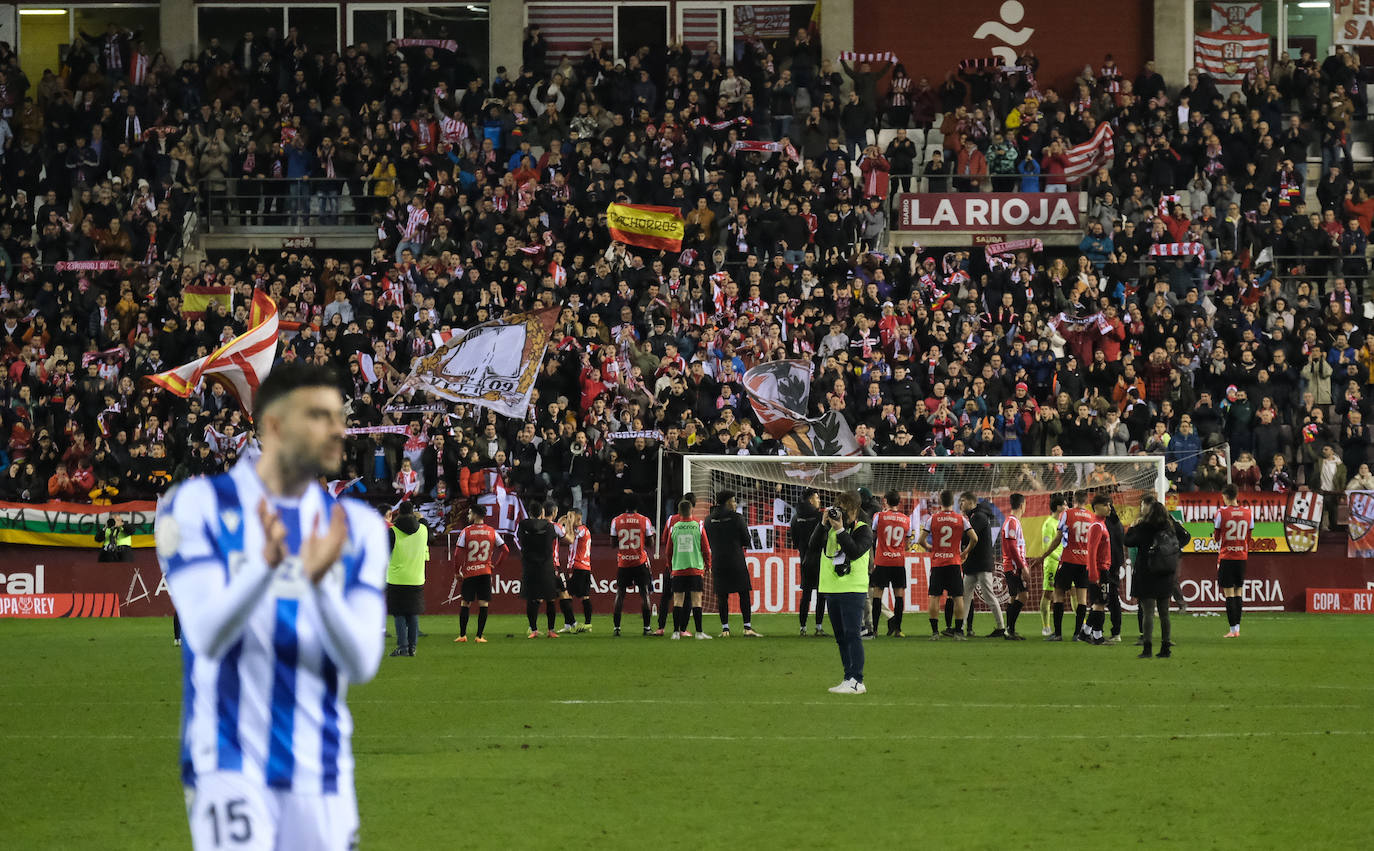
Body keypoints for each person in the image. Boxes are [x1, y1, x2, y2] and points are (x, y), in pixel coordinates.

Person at [156, 361, 388, 850]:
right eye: (319, 416)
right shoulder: (197, 505)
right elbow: (204, 633)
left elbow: (363, 661)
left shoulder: (357, 527)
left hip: (322, 770)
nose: (338, 429)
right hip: (227, 762)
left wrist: (316, 582)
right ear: (276, 425)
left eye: (338, 415)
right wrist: (264, 566)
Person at [811, 490, 872, 694]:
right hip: (831, 588)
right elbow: (811, 546)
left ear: (854, 510)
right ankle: (848, 677)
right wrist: (823, 524)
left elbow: (854, 551)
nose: (841, 514)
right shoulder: (829, 528)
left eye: (843, 510)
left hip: (853, 589)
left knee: (853, 634)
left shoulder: (864, 529)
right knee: (840, 637)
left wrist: (840, 531)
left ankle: (858, 680)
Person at [1125, 496, 1189, 658]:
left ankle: (1147, 648)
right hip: (1166, 573)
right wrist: (1173, 550)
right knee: (1164, 613)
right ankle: (1165, 647)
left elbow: (1128, 541)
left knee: (1148, 612)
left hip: (1146, 573)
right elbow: (1185, 536)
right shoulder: (1170, 527)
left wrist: (1132, 527)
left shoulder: (1144, 527)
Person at [705, 491, 761, 637]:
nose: (735, 504)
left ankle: (725, 629)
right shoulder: (737, 518)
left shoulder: (708, 520)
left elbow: (708, 540)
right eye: (734, 501)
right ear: (728, 502)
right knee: (744, 593)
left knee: (722, 596)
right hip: (736, 561)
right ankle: (747, 628)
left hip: (718, 562)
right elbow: (747, 540)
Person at [921, 489, 975, 640]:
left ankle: (935, 633)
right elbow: (974, 538)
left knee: (934, 597)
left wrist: (930, 548)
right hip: (954, 563)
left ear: (940, 502)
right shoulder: (961, 519)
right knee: (958, 597)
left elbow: (920, 540)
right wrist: (965, 552)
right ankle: (958, 632)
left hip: (938, 563)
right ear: (953, 502)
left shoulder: (933, 518)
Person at [1044, 490, 1095, 641]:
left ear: (1074, 500)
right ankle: (1077, 634)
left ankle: (1058, 634)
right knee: (1082, 599)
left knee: (1058, 594)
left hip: (1068, 560)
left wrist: (1043, 556)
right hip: (1085, 562)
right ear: (1086, 501)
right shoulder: (1092, 517)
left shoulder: (1067, 514)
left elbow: (1058, 538)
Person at [454, 506, 506, 643]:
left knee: (465, 603)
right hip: (485, 572)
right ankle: (479, 636)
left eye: (470, 513)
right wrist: (496, 564)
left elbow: (457, 554)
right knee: (483, 604)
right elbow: (505, 550)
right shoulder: (492, 531)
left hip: (469, 572)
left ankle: (462, 635)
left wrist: (456, 571)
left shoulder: (466, 531)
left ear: (476, 515)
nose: (468, 515)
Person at [385, 500, 429, 657]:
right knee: (413, 613)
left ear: (399, 513)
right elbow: (424, 522)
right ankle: (413, 648)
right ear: (412, 513)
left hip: (396, 578)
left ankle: (403, 647)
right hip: (416, 578)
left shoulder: (392, 532)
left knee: (399, 614)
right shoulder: (423, 530)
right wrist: (420, 517)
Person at [960, 491, 1005, 638]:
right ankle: (960, 627)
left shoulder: (978, 517)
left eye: (963, 501)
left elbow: (967, 535)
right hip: (974, 563)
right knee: (966, 595)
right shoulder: (976, 516)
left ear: (971, 502)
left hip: (981, 563)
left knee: (988, 595)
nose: (961, 504)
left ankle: (1001, 627)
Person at [667, 499, 712, 639]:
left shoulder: (674, 528)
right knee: (697, 600)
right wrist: (708, 565)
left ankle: (675, 632)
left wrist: (670, 567)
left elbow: (668, 551)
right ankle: (699, 632)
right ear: (691, 510)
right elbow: (706, 548)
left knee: (678, 601)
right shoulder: (698, 526)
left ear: (679, 512)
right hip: (695, 569)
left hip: (678, 569)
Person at [1213, 483, 1254, 638]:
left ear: (1225, 496)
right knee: (1239, 592)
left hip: (1226, 556)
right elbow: (1249, 537)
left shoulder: (1221, 513)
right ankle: (1237, 628)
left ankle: (1232, 630)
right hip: (1242, 557)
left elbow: (1217, 537)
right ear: (1237, 496)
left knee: (1229, 593)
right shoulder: (1248, 513)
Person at [517, 500, 561, 638]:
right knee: (550, 598)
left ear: (530, 513)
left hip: (530, 566)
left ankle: (533, 629)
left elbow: (520, 539)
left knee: (532, 598)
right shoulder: (549, 527)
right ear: (542, 513)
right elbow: (553, 539)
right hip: (546, 566)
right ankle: (551, 630)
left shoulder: (523, 525)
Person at [870, 490, 911, 637]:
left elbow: (874, 534)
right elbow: (907, 540)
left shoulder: (879, 516)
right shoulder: (906, 519)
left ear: (885, 500)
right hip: (898, 561)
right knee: (899, 595)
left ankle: (874, 629)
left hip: (882, 560)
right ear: (899, 502)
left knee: (877, 595)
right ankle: (898, 630)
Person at [610, 507, 656, 636]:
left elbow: (613, 543)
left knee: (620, 594)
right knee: (644, 593)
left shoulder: (616, 520)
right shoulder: (644, 520)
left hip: (624, 562)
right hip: (639, 562)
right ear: (636, 506)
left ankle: (617, 628)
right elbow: (651, 543)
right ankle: (647, 628)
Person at [655, 492, 696, 635]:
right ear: (693, 507)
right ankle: (683, 629)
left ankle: (661, 628)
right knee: (687, 598)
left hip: (672, 565)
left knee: (666, 596)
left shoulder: (671, 519)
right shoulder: (696, 523)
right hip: (689, 566)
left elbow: (664, 540)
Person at [791, 488, 827, 636]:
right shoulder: (820, 517)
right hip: (820, 559)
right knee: (821, 594)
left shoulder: (795, 517)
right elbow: (825, 538)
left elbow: (794, 540)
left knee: (806, 594)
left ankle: (803, 627)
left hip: (805, 559)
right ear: (811, 500)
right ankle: (818, 627)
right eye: (817, 498)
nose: (819, 501)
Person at [1081, 493, 1113, 645]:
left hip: (1101, 569)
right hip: (1099, 570)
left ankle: (1086, 632)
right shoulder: (1096, 525)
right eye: (1106, 505)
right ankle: (1097, 636)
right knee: (1100, 603)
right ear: (1097, 507)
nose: (1109, 507)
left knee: (1099, 602)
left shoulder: (1101, 523)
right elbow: (1091, 551)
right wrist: (1094, 573)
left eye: (1109, 504)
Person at [999, 493, 1030, 640]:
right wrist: (1022, 566)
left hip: (1011, 565)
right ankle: (1009, 629)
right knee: (1023, 595)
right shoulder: (1012, 522)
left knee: (1013, 598)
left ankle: (1009, 630)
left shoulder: (1013, 521)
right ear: (1022, 505)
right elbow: (1012, 546)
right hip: (1013, 566)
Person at [1038, 494, 1067, 636]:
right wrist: (1059, 558)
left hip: (1064, 562)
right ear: (1058, 507)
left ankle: (1083, 623)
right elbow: (1046, 548)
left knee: (1073, 591)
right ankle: (1046, 626)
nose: (1067, 507)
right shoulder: (1049, 524)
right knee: (1049, 594)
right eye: (1065, 505)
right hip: (1052, 563)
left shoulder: (1063, 522)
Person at [564, 507, 595, 632]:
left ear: (578, 517)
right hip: (584, 567)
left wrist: (568, 522)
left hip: (577, 566)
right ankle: (586, 624)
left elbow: (568, 536)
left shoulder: (581, 530)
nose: (569, 519)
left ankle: (571, 624)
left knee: (566, 595)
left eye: (571, 517)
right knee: (583, 596)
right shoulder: (585, 530)